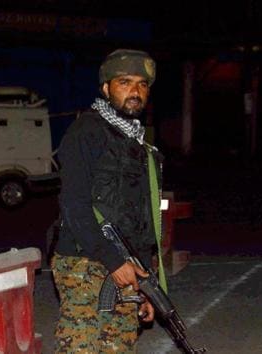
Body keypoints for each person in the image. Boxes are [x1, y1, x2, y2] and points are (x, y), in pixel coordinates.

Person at [51, 48, 163, 353]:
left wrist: (147, 285)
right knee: (83, 348)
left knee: (119, 347)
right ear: (106, 88)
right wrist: (113, 261)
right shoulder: (85, 133)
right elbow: (74, 205)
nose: (135, 92)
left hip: (127, 267)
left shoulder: (139, 146)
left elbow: (140, 219)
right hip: (85, 262)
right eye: (125, 82)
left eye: (142, 84)